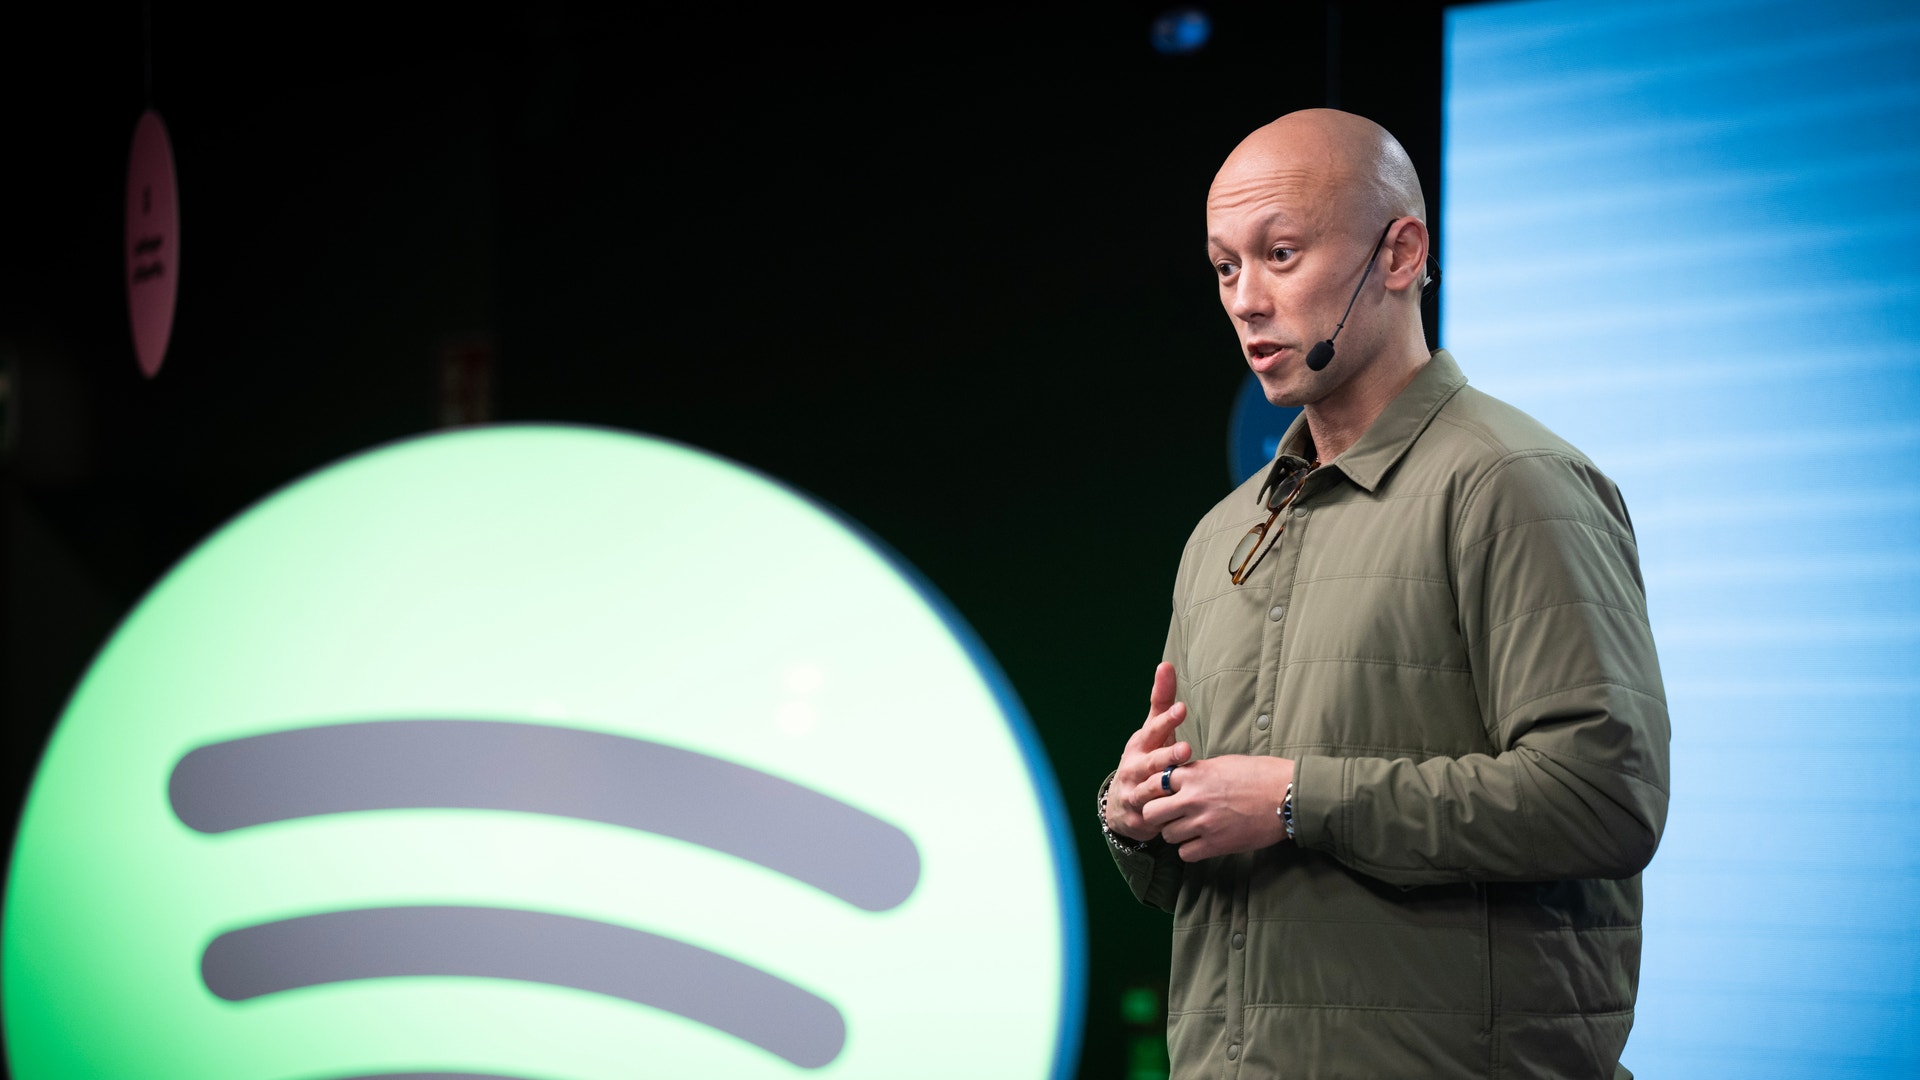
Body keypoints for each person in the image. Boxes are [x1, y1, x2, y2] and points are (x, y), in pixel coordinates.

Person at [1097, 109, 1670, 1079]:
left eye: (1280, 254)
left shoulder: (1514, 484)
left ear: (1400, 254)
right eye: (1225, 267)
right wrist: (1138, 812)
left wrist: (1296, 799)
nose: (1246, 299)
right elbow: (1209, 871)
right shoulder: (1223, 534)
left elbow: (1603, 798)